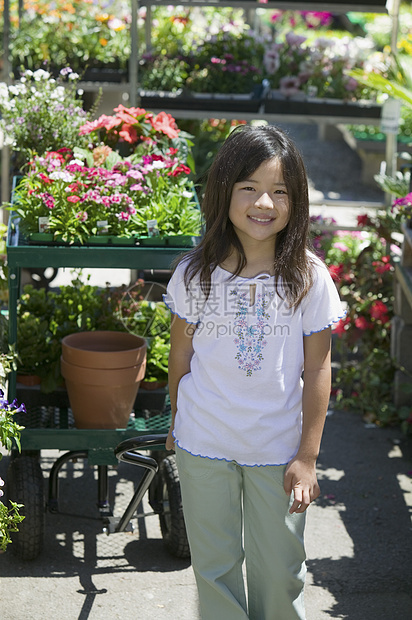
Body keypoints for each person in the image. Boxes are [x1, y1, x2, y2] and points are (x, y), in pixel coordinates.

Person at [163, 124, 345, 620]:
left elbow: (318, 369)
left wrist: (307, 456)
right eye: (249, 188)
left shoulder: (308, 278)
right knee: (215, 570)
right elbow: (180, 358)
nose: (263, 203)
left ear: (296, 201)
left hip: (278, 451)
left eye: (279, 191)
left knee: (280, 572)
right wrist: (179, 422)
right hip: (205, 443)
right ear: (224, 192)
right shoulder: (194, 274)